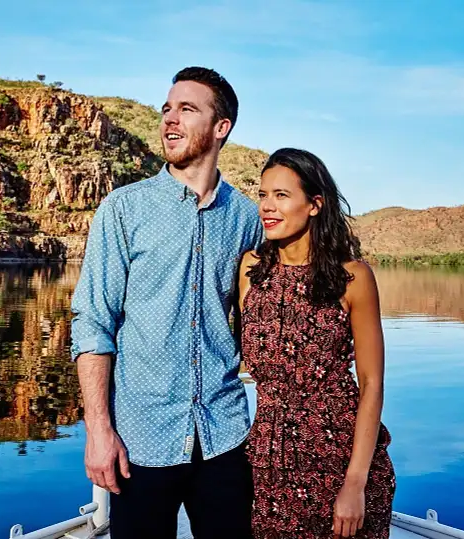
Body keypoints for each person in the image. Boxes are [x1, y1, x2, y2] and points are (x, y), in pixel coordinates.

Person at [69, 66, 262, 539]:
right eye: (167, 109)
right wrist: (98, 430)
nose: (170, 120)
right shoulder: (124, 208)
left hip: (224, 435)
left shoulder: (246, 218)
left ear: (221, 128)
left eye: (187, 109)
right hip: (141, 441)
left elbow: (260, 318)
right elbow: (94, 320)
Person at [237, 148, 396, 538]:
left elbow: (372, 383)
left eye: (281, 195)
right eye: (263, 194)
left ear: (314, 204)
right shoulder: (251, 270)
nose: (267, 207)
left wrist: (355, 484)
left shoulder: (353, 278)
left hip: (339, 456)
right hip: (267, 459)